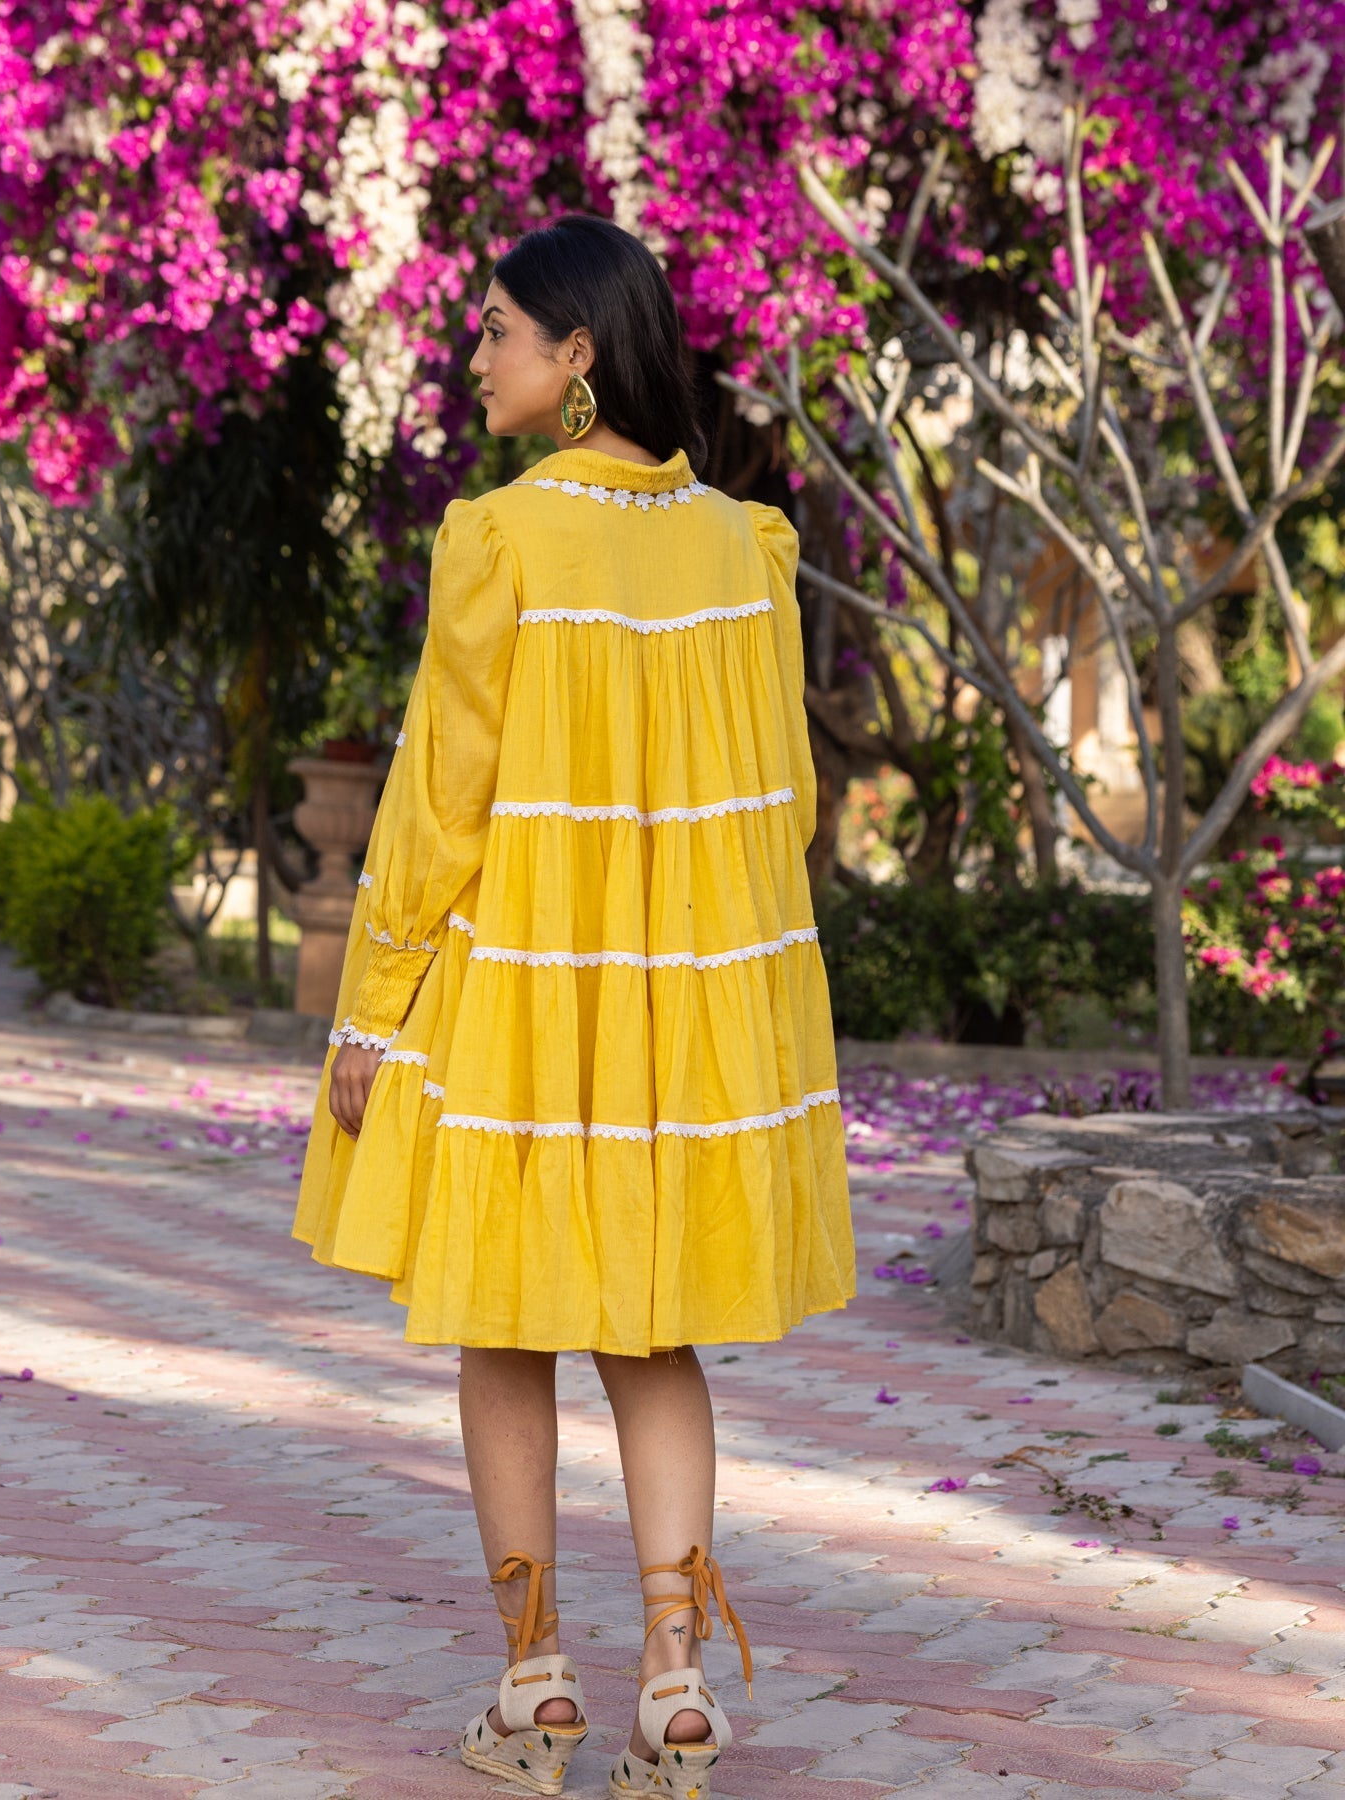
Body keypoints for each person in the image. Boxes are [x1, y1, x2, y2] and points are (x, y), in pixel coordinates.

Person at [293, 213, 854, 1799]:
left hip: (522, 1003)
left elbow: (442, 798)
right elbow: (785, 810)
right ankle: (674, 1693)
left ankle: (535, 1687)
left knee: (506, 1329)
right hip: (682, 1021)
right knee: (656, 1333)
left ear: (579, 357)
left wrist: (373, 1008)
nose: (475, 357)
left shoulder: (505, 540)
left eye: (497, 333)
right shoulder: (746, 551)